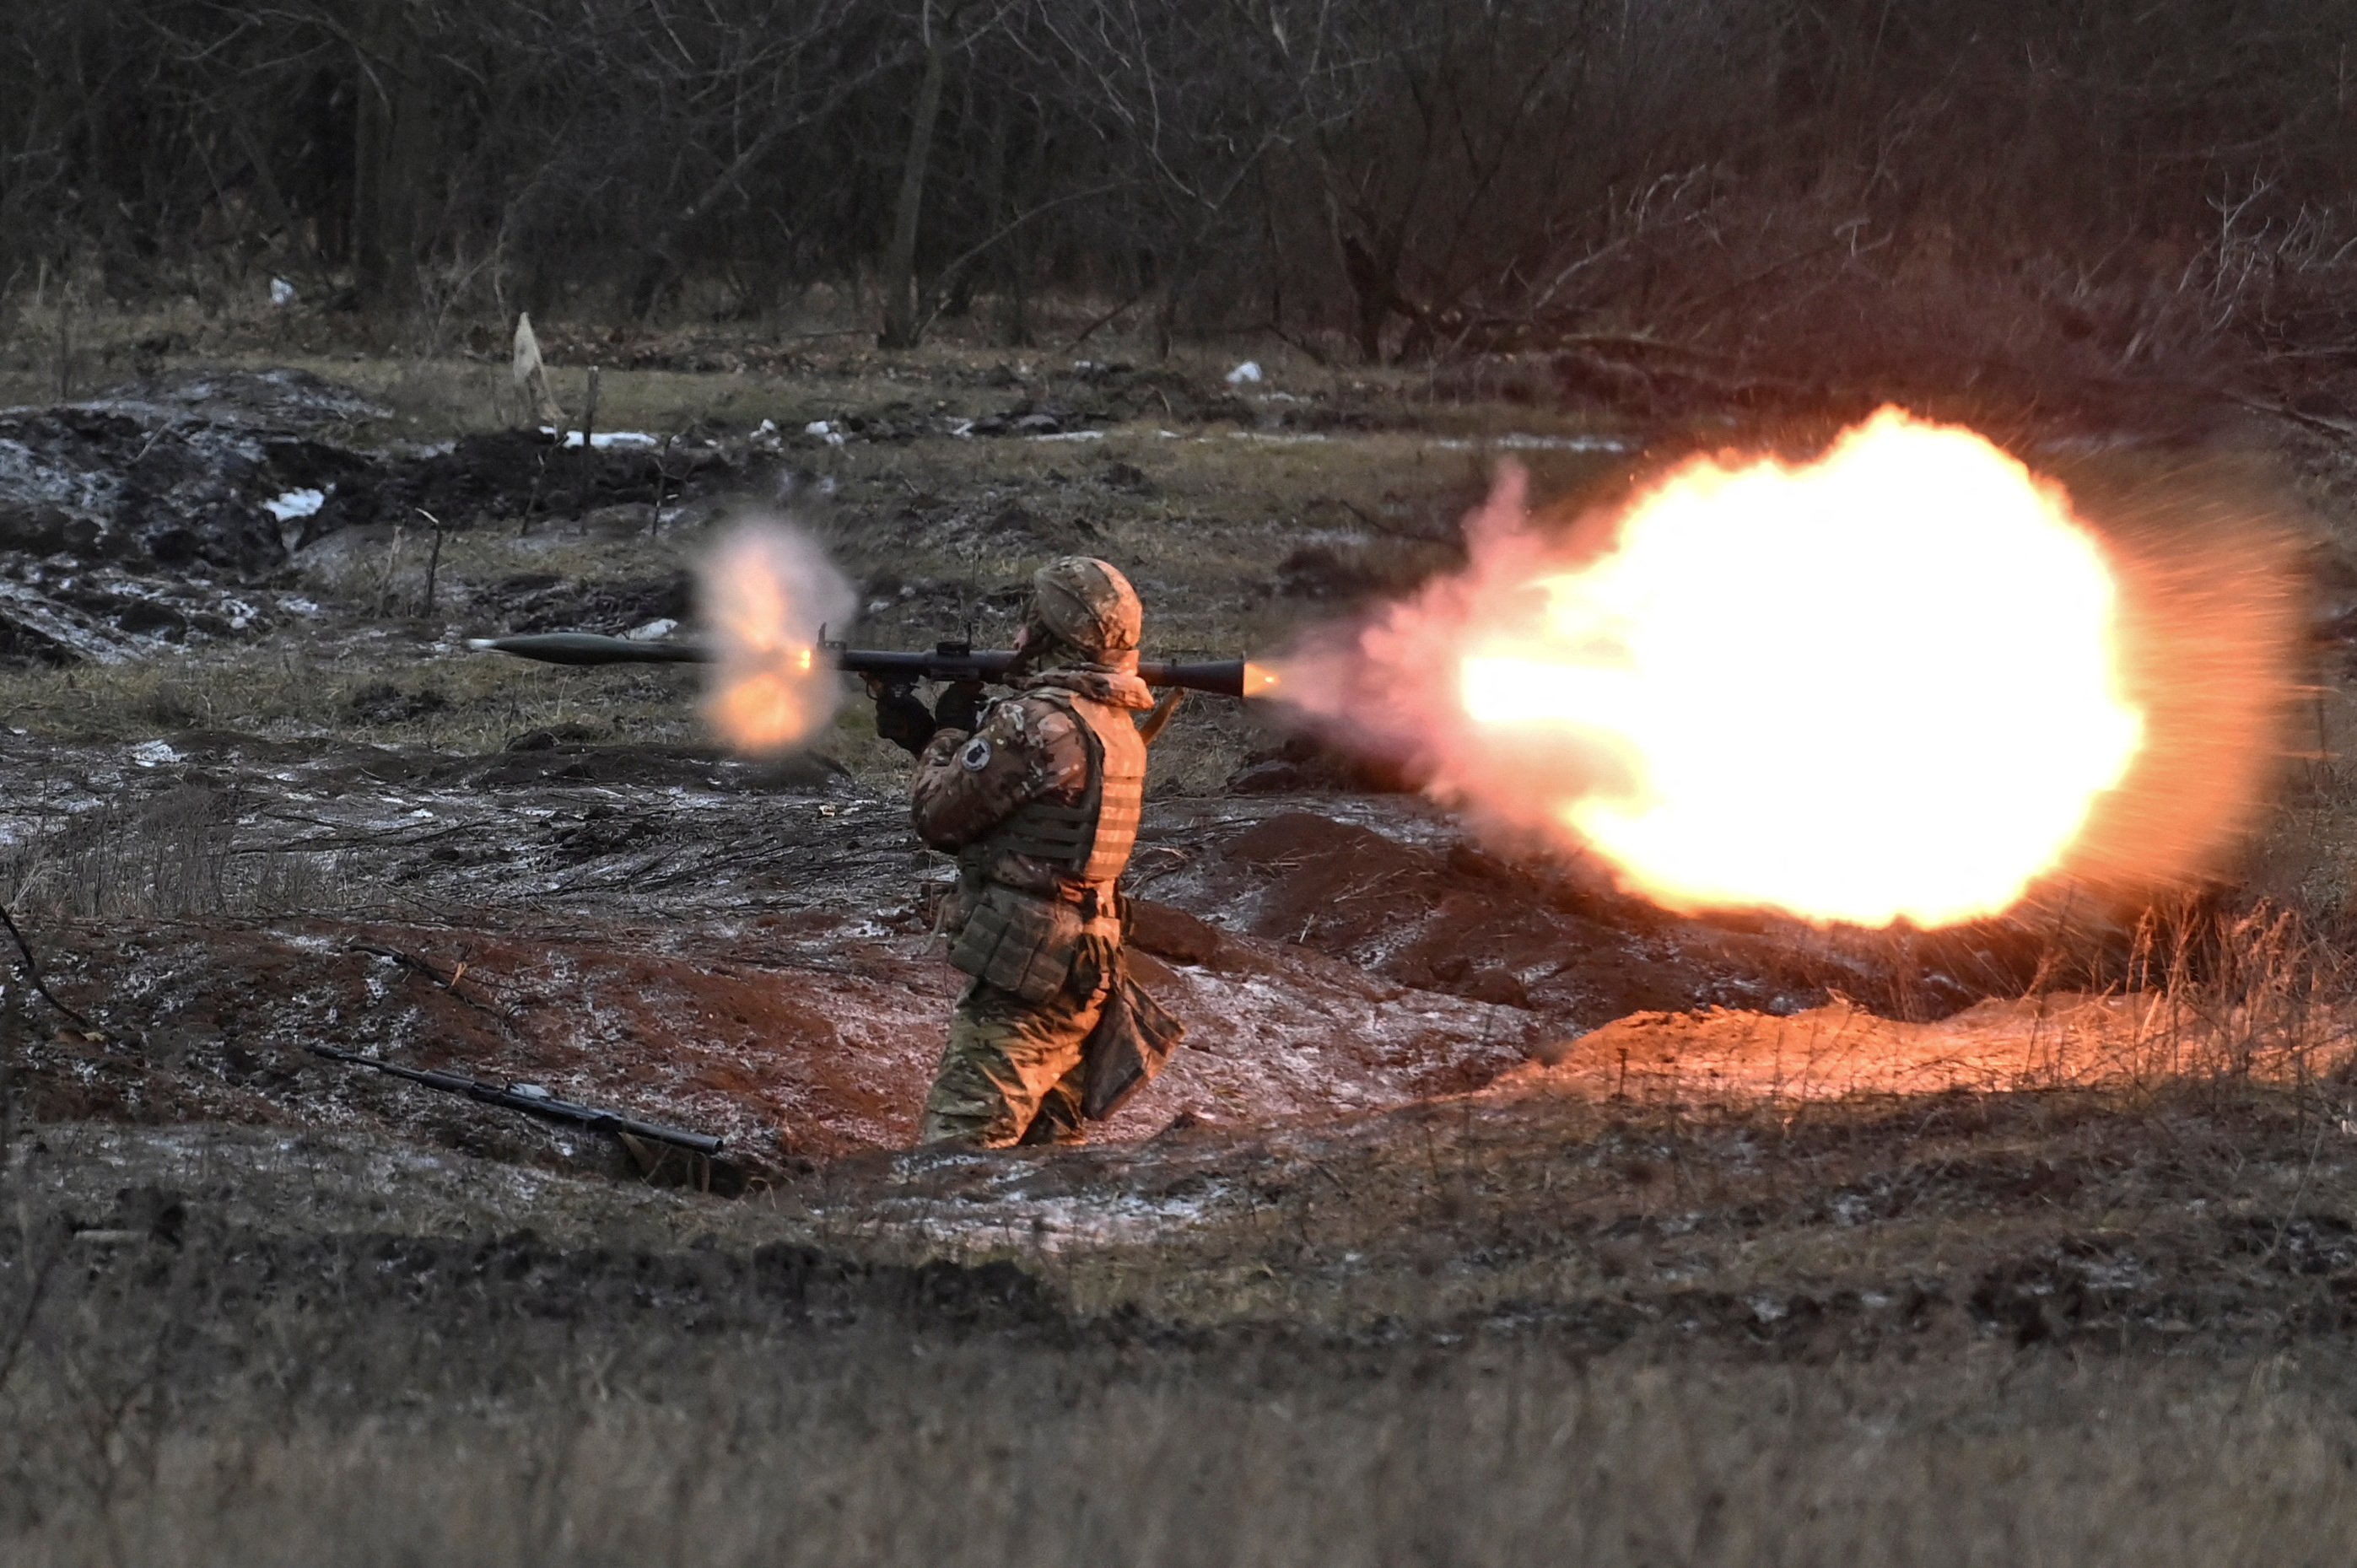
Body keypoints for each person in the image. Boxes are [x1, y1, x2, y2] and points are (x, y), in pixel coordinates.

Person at [892, 556, 1178, 1147]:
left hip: (1027, 970)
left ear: (1052, 633)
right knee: (1044, 1162)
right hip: (1085, 967)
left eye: (1030, 622)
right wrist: (947, 743)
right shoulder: (1112, 723)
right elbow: (1022, 810)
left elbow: (938, 819)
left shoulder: (1034, 722)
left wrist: (943, 735)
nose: (1018, 637)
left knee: (958, 1154)